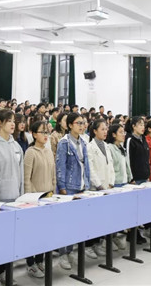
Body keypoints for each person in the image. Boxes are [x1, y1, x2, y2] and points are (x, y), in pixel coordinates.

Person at [0, 109, 24, 285]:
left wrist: (21, 198)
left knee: (10, 240)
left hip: (15, 199)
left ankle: (5, 273)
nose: (13, 124)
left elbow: (20, 175)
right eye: (9, 120)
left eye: (14, 120)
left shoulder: (16, 146)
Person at [56, 112, 90, 270]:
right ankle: (63, 253)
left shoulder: (83, 142)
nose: (81, 126)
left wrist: (87, 184)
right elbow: (60, 166)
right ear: (70, 125)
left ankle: (70, 251)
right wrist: (62, 186)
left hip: (81, 186)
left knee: (77, 222)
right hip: (69, 187)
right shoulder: (64, 143)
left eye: (83, 123)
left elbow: (86, 165)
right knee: (66, 223)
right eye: (78, 123)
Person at [22, 120, 55, 277]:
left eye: (47, 132)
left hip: (48, 198)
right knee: (32, 234)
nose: (45, 135)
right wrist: (30, 198)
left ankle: (40, 260)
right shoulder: (30, 152)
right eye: (42, 132)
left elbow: (53, 175)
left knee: (44, 232)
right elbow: (26, 178)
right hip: (34, 199)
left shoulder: (48, 152)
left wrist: (53, 193)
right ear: (34, 134)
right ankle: (30, 263)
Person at [85, 118, 114, 258]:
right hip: (96, 189)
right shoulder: (90, 147)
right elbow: (90, 168)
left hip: (107, 187)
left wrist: (111, 183)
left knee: (102, 218)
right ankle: (88, 246)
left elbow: (111, 166)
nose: (105, 131)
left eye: (106, 129)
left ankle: (98, 243)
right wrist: (99, 185)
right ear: (95, 131)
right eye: (102, 129)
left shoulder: (107, 146)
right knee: (92, 219)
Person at [126, 116, 150, 184]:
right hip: (136, 178)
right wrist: (131, 178)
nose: (143, 127)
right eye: (140, 125)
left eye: (143, 125)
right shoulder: (130, 140)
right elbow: (128, 160)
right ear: (134, 126)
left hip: (145, 176)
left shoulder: (144, 139)